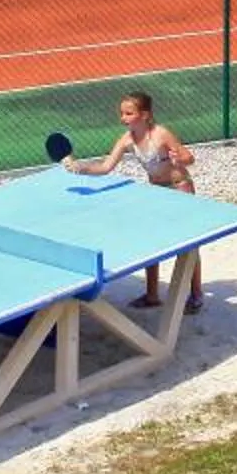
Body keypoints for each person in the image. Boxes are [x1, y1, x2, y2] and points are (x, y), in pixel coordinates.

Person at [63, 91, 207, 310]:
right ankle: (151, 295)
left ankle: (196, 295)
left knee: (187, 245)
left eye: (129, 113)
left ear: (145, 115)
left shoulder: (161, 134)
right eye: (122, 113)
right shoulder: (127, 139)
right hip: (156, 192)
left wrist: (181, 158)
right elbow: (105, 167)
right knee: (151, 242)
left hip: (180, 189)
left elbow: (189, 158)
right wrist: (80, 167)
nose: (123, 118)